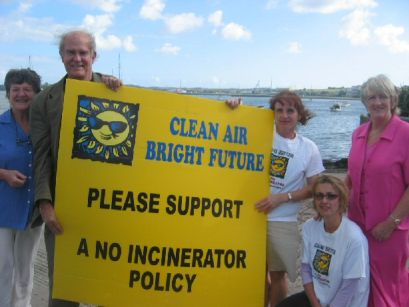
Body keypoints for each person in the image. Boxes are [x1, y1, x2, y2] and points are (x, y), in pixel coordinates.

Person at [30, 29, 122, 307]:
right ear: (61, 57)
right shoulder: (43, 101)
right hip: (64, 209)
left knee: (112, 287)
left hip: (110, 209)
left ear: (94, 56)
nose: (77, 58)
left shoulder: (115, 91)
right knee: (63, 291)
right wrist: (45, 203)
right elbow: (41, 156)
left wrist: (229, 114)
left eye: (83, 52)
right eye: (71, 52)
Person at [227, 90, 325, 306]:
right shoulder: (259, 134)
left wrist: (282, 197)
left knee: (278, 275)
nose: (284, 115)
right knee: (252, 273)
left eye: (290, 110)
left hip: (283, 220)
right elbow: (230, 130)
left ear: (300, 114)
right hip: (248, 217)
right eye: (279, 110)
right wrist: (235, 109)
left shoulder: (308, 148)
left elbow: (314, 188)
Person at [346, 74, 409, 306]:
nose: (378, 102)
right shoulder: (358, 133)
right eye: (372, 97)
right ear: (365, 103)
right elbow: (351, 177)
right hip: (356, 224)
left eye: (383, 96)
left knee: (388, 286)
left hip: (390, 230)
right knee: (362, 283)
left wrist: (391, 222)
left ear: (393, 100)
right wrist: (331, 207)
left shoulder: (406, 134)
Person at [277, 175, 369, 307]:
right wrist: (315, 303)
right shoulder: (310, 226)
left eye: (331, 196)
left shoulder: (354, 238)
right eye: (319, 196)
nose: (324, 201)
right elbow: (306, 270)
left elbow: (349, 287)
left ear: (341, 199)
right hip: (318, 299)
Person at [0, 68, 43, 307]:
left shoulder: (44, 126)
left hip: (33, 210)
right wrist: (3, 173)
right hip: (2, 209)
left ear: (36, 94)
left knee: (25, 270)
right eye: (15, 89)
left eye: (27, 89)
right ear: (8, 94)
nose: (21, 94)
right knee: (2, 269)